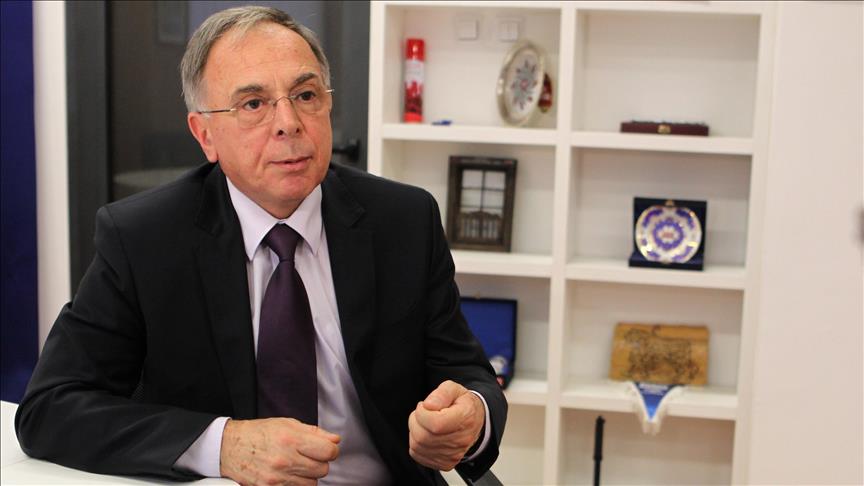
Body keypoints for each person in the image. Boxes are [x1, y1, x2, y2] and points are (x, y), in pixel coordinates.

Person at [14, 6, 506, 485]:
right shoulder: (144, 238)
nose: (288, 122)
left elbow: (468, 375)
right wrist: (223, 445)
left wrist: (471, 418)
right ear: (205, 134)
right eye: (253, 104)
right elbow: (50, 407)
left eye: (306, 95)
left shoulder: (403, 220)